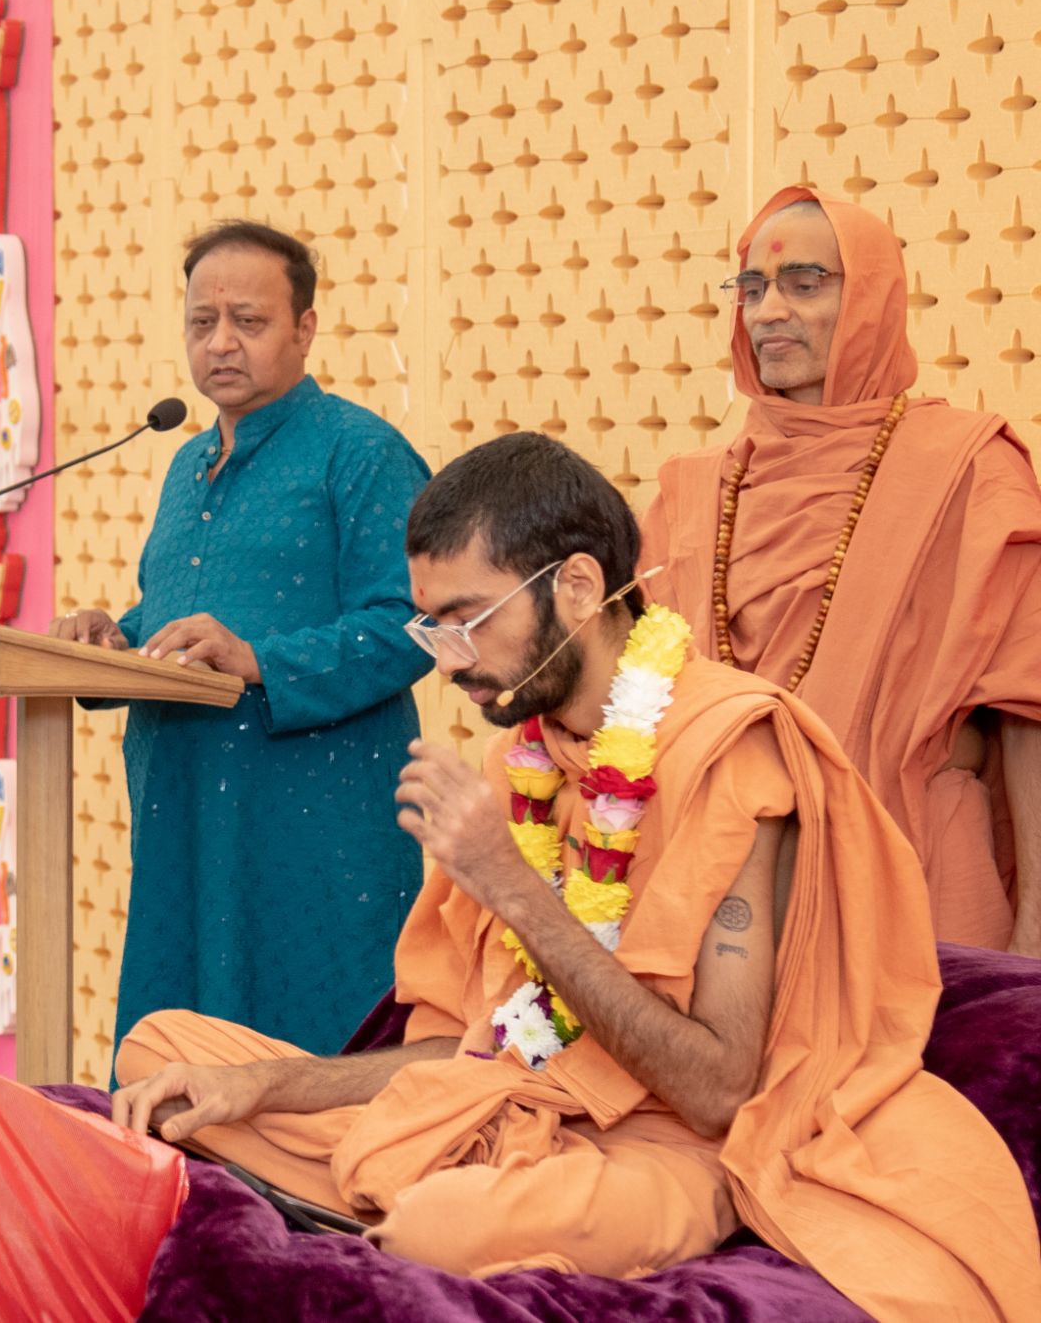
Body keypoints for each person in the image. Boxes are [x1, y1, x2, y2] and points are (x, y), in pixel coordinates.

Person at [110, 435, 1039, 1320]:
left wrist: (509, 883)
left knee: (441, 1224)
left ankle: (395, 1203)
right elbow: (482, 1048)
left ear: (581, 588)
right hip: (513, 1097)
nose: (452, 660)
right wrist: (264, 1087)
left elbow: (717, 1088)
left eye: (470, 620)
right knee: (162, 1052)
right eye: (430, 627)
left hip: (674, 1144)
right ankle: (374, 1187)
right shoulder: (529, 756)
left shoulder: (732, 751)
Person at [51, 221, 431, 1055]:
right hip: (185, 817)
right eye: (200, 322)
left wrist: (262, 663)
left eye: (248, 322)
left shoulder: (360, 451)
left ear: (305, 328)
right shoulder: (186, 462)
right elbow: (179, 613)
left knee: (314, 1061)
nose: (220, 342)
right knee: (182, 1050)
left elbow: (419, 622)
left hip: (312, 829)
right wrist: (112, 639)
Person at [641, 187, 1041, 957]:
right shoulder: (691, 491)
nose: (767, 313)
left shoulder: (968, 470)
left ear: (872, 300)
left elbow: (1027, 714)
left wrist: (1033, 941)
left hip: (916, 883)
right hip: (729, 891)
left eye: (805, 284)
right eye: (752, 288)